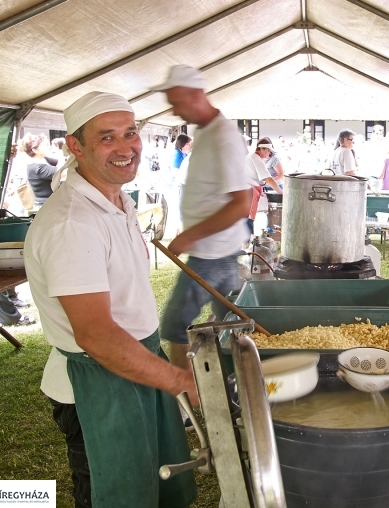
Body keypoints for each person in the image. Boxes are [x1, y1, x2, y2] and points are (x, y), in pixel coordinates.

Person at [23, 91, 198, 508]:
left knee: (150, 484)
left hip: (136, 367)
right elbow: (97, 335)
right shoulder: (73, 225)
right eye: (107, 137)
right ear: (75, 146)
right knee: (113, 495)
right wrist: (178, 380)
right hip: (96, 384)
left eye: (131, 133)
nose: (125, 148)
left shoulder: (115, 200)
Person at [151, 65, 250, 372]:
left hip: (213, 252)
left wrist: (190, 236)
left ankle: (186, 399)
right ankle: (238, 382)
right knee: (233, 326)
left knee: (174, 325)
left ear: (195, 94)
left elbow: (239, 204)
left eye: (177, 101)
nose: (174, 110)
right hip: (216, 249)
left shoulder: (224, 137)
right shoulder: (204, 131)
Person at [245, 139, 283, 233]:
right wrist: (282, 193)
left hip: (246, 189)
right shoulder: (256, 159)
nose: (269, 153)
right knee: (248, 218)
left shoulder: (250, 156)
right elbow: (268, 179)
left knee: (246, 218)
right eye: (268, 150)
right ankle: (246, 243)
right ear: (261, 149)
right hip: (249, 190)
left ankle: (246, 242)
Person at [20, 133, 58, 209]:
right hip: (46, 206)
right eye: (45, 145)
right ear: (35, 150)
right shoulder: (38, 168)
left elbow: (58, 162)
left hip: (51, 203)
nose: (48, 147)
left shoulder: (43, 159)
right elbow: (63, 172)